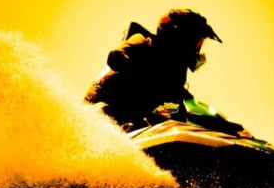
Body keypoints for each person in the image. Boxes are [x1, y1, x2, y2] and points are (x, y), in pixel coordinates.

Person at [85, 9, 222, 131]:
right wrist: (140, 72)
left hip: (132, 122)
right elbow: (115, 57)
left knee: (170, 121)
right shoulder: (144, 42)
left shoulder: (175, 73)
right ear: (181, 37)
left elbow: (180, 104)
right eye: (197, 42)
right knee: (104, 113)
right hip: (102, 110)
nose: (198, 49)